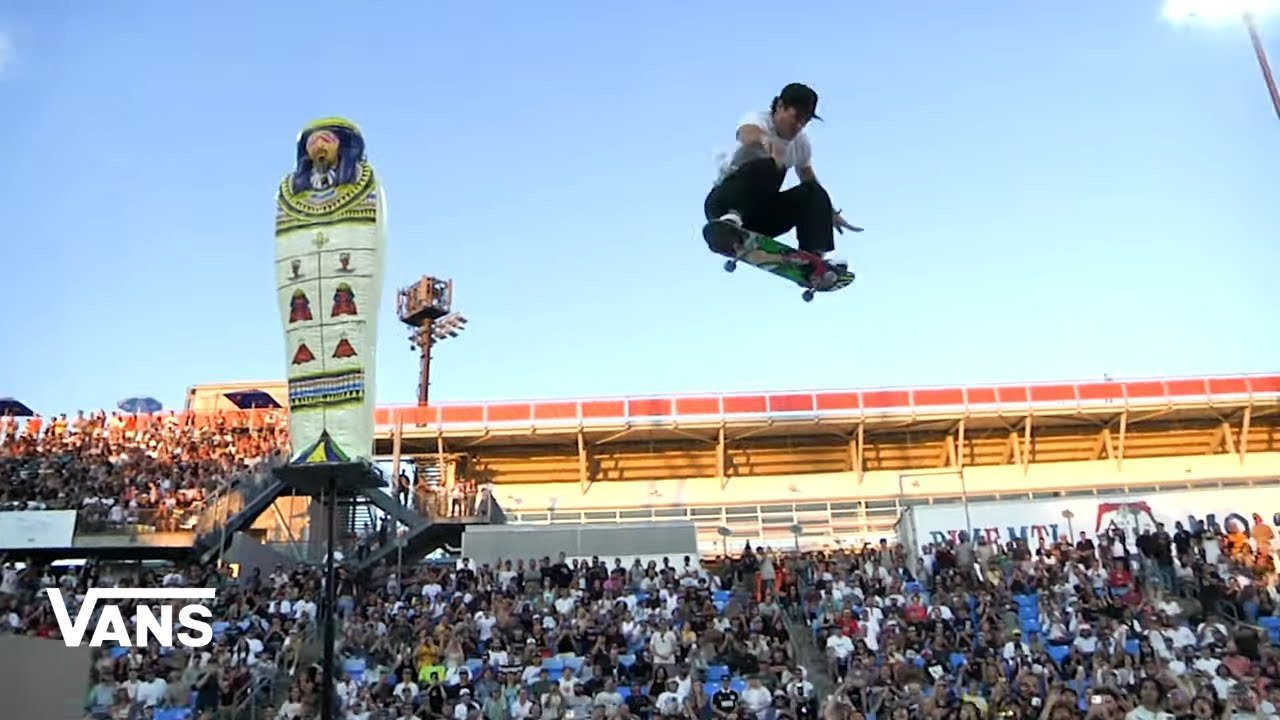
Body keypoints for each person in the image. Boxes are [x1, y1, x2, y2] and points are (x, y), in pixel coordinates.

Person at [703, 82, 858, 275]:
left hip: (760, 218)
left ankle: (813, 259)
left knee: (812, 191)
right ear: (780, 107)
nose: (799, 125)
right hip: (723, 205)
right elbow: (747, 135)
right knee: (772, 165)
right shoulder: (758, 119)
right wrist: (767, 141)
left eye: (806, 121)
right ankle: (731, 225)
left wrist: (828, 213)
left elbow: (808, 180)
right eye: (796, 117)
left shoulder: (801, 144)